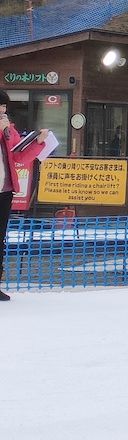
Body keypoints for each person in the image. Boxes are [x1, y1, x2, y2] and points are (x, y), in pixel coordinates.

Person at [0, 90, 51, 302]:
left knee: (0, 239)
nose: (3, 110)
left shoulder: (8, 130)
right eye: (0, 106)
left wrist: (38, 142)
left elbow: (19, 157)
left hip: (4, 191)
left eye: (4, 106)